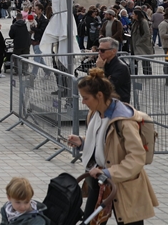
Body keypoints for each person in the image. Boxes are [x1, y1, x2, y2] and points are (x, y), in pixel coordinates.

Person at [67, 68, 159, 224]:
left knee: (129, 221)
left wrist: (109, 172)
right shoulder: (95, 113)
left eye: (86, 98)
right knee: (91, 221)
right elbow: (104, 143)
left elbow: (137, 158)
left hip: (123, 184)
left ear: (100, 96)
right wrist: (83, 143)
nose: (83, 102)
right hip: (98, 181)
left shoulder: (124, 121)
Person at [95, 37, 132, 104]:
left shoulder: (121, 67)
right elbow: (92, 83)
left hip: (119, 105)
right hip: (105, 103)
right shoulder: (103, 63)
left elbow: (107, 87)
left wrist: (99, 69)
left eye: (102, 50)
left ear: (113, 51)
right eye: (99, 50)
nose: (99, 53)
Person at [130, 8, 154, 74]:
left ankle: (147, 73)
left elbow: (147, 33)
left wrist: (139, 41)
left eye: (133, 14)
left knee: (145, 59)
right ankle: (134, 72)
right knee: (134, 59)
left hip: (142, 44)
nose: (132, 15)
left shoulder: (144, 22)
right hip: (134, 43)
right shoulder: (135, 22)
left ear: (137, 15)